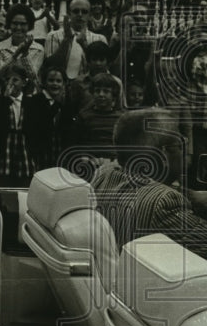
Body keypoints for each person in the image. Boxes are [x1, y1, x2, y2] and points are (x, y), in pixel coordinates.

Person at [88, 109, 207, 259]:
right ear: (164, 154)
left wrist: (192, 196)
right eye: (180, 143)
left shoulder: (104, 174)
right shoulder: (165, 202)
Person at [44, 0, 109, 82]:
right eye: (76, 11)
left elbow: (101, 70)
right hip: (61, 88)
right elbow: (51, 66)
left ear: (90, 15)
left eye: (84, 12)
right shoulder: (53, 36)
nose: (80, 14)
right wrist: (66, 40)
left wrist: (85, 46)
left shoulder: (100, 39)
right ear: (69, 13)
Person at [0, 60, 34, 187]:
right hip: (6, 152)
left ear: (23, 82)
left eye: (15, 80)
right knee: (6, 188)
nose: (10, 83)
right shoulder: (1, 103)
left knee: (24, 188)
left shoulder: (30, 103)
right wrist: (5, 99)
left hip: (24, 152)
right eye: (7, 79)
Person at [23, 64, 69, 173]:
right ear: (44, 82)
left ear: (64, 83)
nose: (55, 84)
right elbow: (40, 125)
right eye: (51, 80)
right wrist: (57, 104)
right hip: (41, 151)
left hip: (58, 150)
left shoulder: (65, 103)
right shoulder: (36, 101)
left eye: (58, 81)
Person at [0, 4, 45, 86]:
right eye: (15, 23)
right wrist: (16, 54)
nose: (18, 27)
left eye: (23, 24)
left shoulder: (38, 49)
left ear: (29, 26)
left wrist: (25, 55)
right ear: (9, 24)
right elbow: (0, 73)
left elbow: (32, 77)